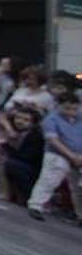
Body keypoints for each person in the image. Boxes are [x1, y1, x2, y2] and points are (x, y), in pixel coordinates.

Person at [27, 94, 82, 223]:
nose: (71, 112)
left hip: (79, 156)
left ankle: (80, 214)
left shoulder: (80, 118)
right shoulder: (51, 119)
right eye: (67, 108)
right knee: (49, 179)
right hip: (57, 153)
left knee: (78, 188)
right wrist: (71, 155)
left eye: (74, 108)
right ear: (59, 106)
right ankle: (36, 205)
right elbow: (53, 140)